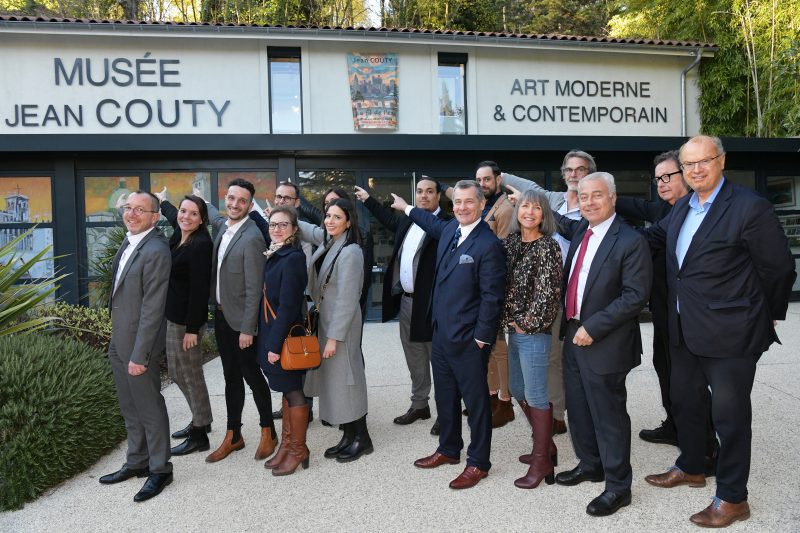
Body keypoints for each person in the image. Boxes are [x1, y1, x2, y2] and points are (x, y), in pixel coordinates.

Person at [641, 135, 796, 528]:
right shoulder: (680, 209)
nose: (695, 170)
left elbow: (778, 268)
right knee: (686, 404)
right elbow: (654, 241)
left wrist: (768, 314)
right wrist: (596, 228)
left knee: (729, 418)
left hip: (731, 335)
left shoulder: (748, 207)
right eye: (688, 164)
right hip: (685, 331)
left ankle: (732, 498)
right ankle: (692, 466)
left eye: (703, 161)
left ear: (721, 161)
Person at [391, 180, 506, 490]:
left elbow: (492, 297)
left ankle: (479, 462)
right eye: (457, 202)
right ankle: (448, 449)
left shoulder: (488, 245)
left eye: (469, 202)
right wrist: (407, 207)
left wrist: (482, 337)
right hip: (440, 334)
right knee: (445, 396)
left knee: (477, 403)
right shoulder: (448, 232)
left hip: (470, 340)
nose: (462, 207)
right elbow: (427, 219)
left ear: (482, 205)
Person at [553, 172, 652, 517]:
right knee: (578, 409)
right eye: (583, 197)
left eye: (597, 195)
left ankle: (618, 487)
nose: (589, 202)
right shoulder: (582, 230)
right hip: (574, 335)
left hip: (605, 339)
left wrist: (593, 327)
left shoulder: (630, 240)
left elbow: (635, 295)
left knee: (608, 415)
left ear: (612, 197)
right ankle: (590, 464)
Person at [614, 152, 715, 458]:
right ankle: (676, 426)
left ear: (685, 174)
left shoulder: (696, 213)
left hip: (693, 317)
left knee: (692, 384)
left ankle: (705, 448)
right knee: (666, 370)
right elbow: (636, 214)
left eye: (667, 176)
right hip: (664, 312)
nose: (661, 183)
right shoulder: (666, 210)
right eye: (657, 178)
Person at [502, 150, 596, 435]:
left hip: (581, 292)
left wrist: (535, 206)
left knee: (580, 359)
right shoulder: (553, 199)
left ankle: (582, 415)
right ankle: (555, 417)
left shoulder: (591, 204)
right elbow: (526, 187)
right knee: (552, 358)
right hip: (549, 294)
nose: (574, 175)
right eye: (569, 170)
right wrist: (498, 176)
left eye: (580, 170)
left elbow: (570, 231)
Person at [354, 178, 451, 435]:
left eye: (430, 192)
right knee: (414, 356)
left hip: (431, 305)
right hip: (407, 302)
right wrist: (368, 200)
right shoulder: (408, 221)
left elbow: (438, 235)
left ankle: (446, 413)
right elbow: (388, 219)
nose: (424, 196)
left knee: (437, 360)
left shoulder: (446, 223)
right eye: (420, 192)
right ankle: (420, 405)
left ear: (438, 196)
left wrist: (409, 208)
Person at [100, 190, 173, 502]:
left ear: (154, 217)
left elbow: (153, 309)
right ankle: (137, 461)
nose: (131, 214)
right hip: (120, 340)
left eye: (140, 210)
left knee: (149, 406)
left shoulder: (156, 249)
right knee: (130, 406)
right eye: (128, 208)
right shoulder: (130, 241)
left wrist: (140, 355)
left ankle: (160, 469)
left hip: (138, 346)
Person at [205, 179, 276, 464]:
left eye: (242, 201)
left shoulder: (252, 237)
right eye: (231, 198)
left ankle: (268, 431)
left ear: (250, 206)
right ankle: (234, 434)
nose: (235, 204)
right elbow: (212, 214)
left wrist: (248, 329)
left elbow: (254, 288)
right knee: (230, 377)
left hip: (242, 324)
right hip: (222, 316)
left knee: (252, 376)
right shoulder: (223, 225)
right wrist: (202, 201)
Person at [297, 198, 374, 462]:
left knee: (348, 381)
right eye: (328, 216)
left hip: (341, 326)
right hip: (327, 323)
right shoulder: (330, 243)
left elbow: (348, 298)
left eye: (337, 217)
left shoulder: (351, 251)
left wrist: (334, 338)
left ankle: (362, 438)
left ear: (349, 221)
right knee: (336, 382)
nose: (330, 221)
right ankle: (348, 435)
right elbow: (304, 228)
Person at [501, 189, 563, 489]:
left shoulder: (548, 247)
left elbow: (549, 293)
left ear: (544, 215)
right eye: (524, 206)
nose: (529, 212)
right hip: (513, 330)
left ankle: (542, 461)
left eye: (536, 208)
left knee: (536, 395)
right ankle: (546, 447)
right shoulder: (511, 243)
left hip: (533, 332)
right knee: (516, 388)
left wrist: (527, 324)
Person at [155, 190, 214, 456]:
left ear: (202, 219)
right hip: (174, 317)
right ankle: (199, 419)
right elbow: (172, 216)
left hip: (186, 323)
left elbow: (200, 290)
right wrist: (164, 201)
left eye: (193, 213)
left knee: (191, 375)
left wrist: (192, 329)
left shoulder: (201, 245)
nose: (185, 216)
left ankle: (201, 432)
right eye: (183, 211)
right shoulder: (181, 234)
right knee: (178, 373)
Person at [257, 206, 311, 476]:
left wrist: (274, 345)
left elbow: (289, 307)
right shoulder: (276, 254)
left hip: (282, 336)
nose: (276, 229)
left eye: (283, 224)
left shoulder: (292, 258)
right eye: (272, 224)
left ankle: (298, 449)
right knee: (287, 392)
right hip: (270, 331)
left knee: (293, 391)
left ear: (294, 229)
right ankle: (288, 445)